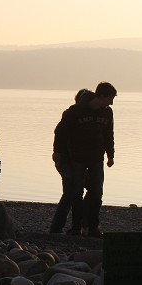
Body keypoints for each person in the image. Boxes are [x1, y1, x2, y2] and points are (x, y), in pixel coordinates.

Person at [49, 82, 117, 238]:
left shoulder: (107, 113)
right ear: (102, 96)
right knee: (75, 193)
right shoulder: (75, 111)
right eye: (110, 99)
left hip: (97, 158)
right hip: (77, 158)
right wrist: (57, 151)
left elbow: (109, 134)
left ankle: (92, 227)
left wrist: (110, 154)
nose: (111, 103)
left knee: (97, 192)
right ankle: (76, 228)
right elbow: (61, 132)